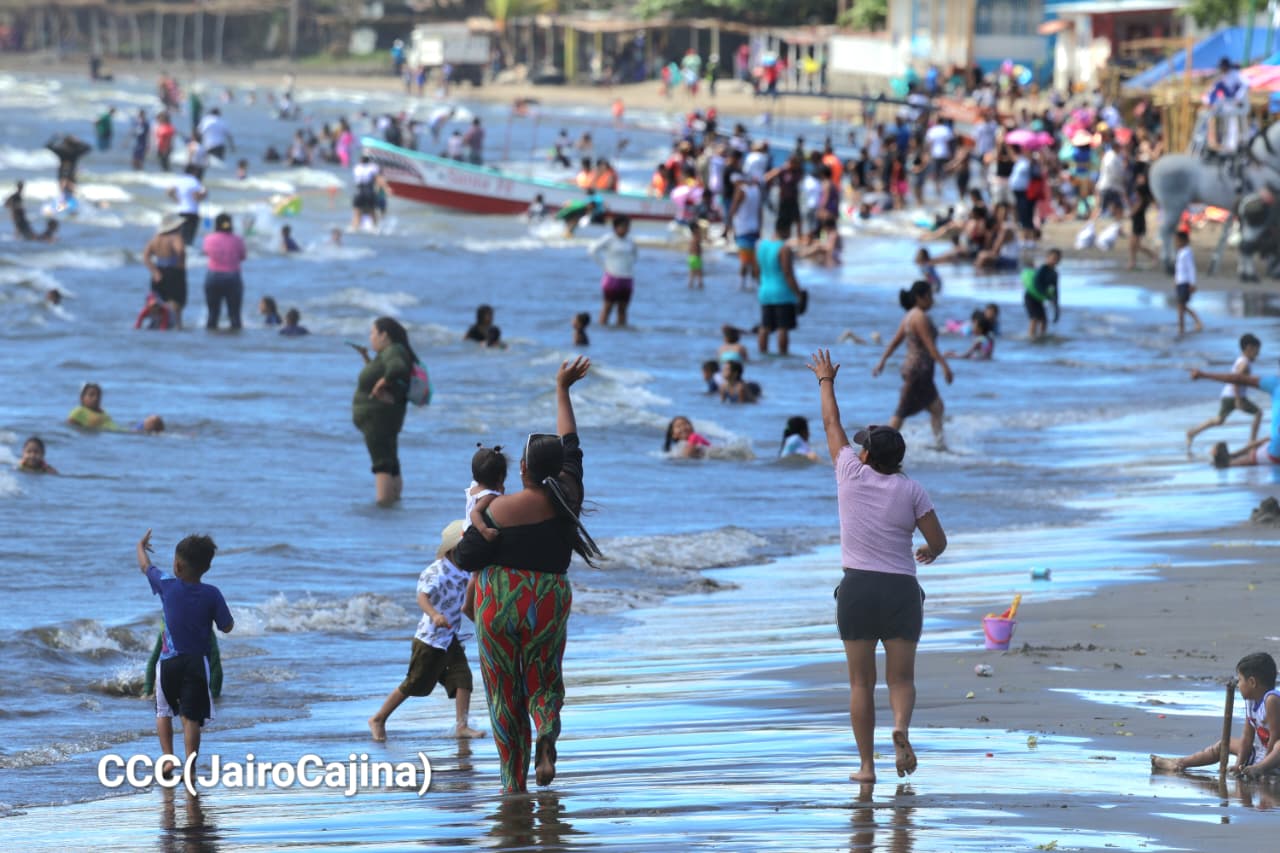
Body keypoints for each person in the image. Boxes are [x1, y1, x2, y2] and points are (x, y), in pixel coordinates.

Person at [453, 357, 601, 792]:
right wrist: (563, 390)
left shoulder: (497, 509)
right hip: (548, 597)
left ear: (522, 470)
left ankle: (511, 782)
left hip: (499, 600)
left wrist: (480, 513)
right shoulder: (569, 493)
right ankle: (547, 730)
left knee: (503, 690)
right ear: (556, 469)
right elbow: (571, 441)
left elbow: (465, 557)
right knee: (544, 679)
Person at [806, 349, 947, 784]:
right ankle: (901, 728)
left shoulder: (850, 472)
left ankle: (867, 768)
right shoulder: (912, 489)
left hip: (859, 589)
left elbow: (831, 425)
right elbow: (937, 541)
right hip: (902, 590)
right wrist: (929, 554)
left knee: (860, 684)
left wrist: (825, 381)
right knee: (901, 678)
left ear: (865, 455)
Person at [368, 520, 486, 742]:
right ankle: (379, 718)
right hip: (430, 640)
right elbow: (422, 597)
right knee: (415, 683)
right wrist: (434, 615)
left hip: (450, 638)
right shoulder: (436, 571)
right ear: (453, 549)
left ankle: (462, 725)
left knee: (463, 679)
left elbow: (466, 602)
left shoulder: (464, 572)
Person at [135, 529, 234, 781]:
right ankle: (190, 769)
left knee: (163, 712)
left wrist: (140, 546)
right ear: (206, 567)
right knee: (191, 718)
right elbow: (227, 626)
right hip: (196, 663)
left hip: (168, 662)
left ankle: (168, 760)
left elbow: (145, 566)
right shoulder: (212, 593)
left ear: (177, 565)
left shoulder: (166, 583)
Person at [1152, 652, 1280, 777]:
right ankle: (1179, 763)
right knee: (1225, 743)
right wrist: (1238, 764)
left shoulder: (1272, 699)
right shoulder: (1250, 702)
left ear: (1252, 682)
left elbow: (1275, 736)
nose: (1238, 685)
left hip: (1274, 756)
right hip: (1266, 754)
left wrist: (1264, 765)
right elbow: (1247, 738)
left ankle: (1262, 770)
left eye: (1240, 680)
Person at [873, 281, 953, 449]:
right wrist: (945, 366)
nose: (933, 300)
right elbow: (930, 345)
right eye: (930, 296)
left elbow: (895, 342)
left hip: (914, 369)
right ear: (920, 297)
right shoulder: (920, 317)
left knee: (937, 407)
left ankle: (940, 446)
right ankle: (878, 448)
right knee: (901, 412)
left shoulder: (909, 316)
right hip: (919, 371)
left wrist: (882, 361)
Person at [351, 317, 417, 505]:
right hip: (386, 416)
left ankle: (384, 505)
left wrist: (380, 384)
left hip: (378, 419)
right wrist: (367, 359)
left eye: (373, 333)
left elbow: (397, 369)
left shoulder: (393, 351)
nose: (370, 337)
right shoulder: (391, 352)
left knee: (382, 464)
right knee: (390, 462)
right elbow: (387, 371)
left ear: (384, 335)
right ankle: (394, 502)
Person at [1189, 360, 1280, 467]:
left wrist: (1204, 375)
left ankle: (1229, 462)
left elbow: (1237, 378)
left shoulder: (1276, 383)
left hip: (1275, 454)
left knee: (1269, 445)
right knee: (1269, 439)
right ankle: (1234, 455)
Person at [1187, 334, 1263, 451]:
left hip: (1227, 395)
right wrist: (1238, 399)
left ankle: (1192, 432)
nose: (1258, 354)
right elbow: (1236, 379)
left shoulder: (1241, 360)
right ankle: (1252, 442)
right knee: (1258, 413)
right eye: (1257, 350)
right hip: (1235, 396)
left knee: (1219, 420)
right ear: (1249, 348)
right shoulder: (1245, 364)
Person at [755, 221, 805, 356]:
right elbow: (787, 273)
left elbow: (757, 271)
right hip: (782, 292)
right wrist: (798, 292)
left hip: (765, 291)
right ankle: (783, 355)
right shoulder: (784, 248)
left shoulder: (762, 246)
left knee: (765, 326)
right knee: (783, 328)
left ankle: (762, 354)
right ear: (786, 230)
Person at [589, 215, 637, 327]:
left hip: (627, 277)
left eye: (628, 227)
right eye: (624, 227)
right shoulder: (609, 239)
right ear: (616, 227)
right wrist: (604, 265)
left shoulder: (630, 241)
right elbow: (592, 250)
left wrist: (629, 266)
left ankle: (622, 332)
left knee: (623, 309)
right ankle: (603, 330)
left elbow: (635, 255)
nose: (626, 229)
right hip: (612, 277)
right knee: (608, 307)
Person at [202, 213, 247, 330]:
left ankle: (209, 343)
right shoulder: (238, 239)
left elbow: (206, 252)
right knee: (235, 316)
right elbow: (242, 256)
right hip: (233, 277)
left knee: (212, 315)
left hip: (213, 277)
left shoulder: (209, 238)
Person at [143, 214, 188, 329]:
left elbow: (146, 256)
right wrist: (181, 264)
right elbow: (181, 251)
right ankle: (177, 326)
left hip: (158, 270)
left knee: (157, 304)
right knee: (176, 303)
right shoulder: (175, 237)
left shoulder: (155, 239)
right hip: (173, 272)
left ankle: (157, 325)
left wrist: (154, 271)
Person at [728, 175, 762, 290]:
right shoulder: (757, 191)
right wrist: (760, 228)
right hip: (754, 228)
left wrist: (727, 226)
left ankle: (741, 284)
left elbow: (733, 208)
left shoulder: (741, 191)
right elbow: (759, 211)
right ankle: (753, 284)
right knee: (753, 260)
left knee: (744, 260)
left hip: (743, 229)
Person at [467, 445, 506, 542]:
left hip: (467, 528)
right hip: (477, 534)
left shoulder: (474, 487)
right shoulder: (489, 496)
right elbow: (474, 513)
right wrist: (484, 530)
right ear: (501, 477)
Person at [1023, 248, 1061, 340]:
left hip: (1039, 299)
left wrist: (1056, 307)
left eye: (1057, 259)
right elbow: (1037, 282)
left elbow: (1055, 290)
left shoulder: (1055, 274)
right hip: (1030, 297)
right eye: (1053, 258)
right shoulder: (1042, 269)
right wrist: (1045, 294)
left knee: (1044, 320)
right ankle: (1031, 337)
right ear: (1047, 258)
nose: (1054, 261)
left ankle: (1041, 336)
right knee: (1034, 318)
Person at [1174, 230, 1204, 336]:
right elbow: (1179, 269)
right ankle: (1192, 323)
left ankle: (1183, 327)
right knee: (1181, 306)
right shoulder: (1181, 252)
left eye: (1178, 241)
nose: (1176, 243)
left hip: (1185, 282)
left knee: (1181, 306)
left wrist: (1192, 283)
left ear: (1184, 241)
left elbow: (1191, 269)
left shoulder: (1187, 252)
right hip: (1180, 282)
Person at [168, 165, 207, 247]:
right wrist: (201, 196)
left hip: (181, 211)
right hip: (192, 211)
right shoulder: (194, 181)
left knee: (180, 236)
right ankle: (188, 254)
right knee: (189, 238)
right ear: (194, 171)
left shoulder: (179, 181)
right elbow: (199, 194)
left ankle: (179, 253)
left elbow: (169, 191)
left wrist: (177, 199)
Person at [351, 155, 384, 230]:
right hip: (369, 190)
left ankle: (355, 227)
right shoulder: (373, 167)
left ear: (360, 161)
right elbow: (378, 177)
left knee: (357, 212)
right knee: (372, 211)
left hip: (359, 191)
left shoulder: (357, 168)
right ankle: (375, 227)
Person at [687, 221, 704, 289]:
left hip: (690, 257)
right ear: (696, 228)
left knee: (691, 275)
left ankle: (690, 286)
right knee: (699, 275)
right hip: (697, 257)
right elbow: (701, 239)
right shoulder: (697, 235)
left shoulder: (692, 235)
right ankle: (700, 286)